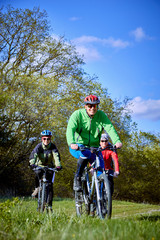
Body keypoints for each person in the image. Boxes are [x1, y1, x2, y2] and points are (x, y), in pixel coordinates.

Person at [66, 94, 122, 191]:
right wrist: (72, 143)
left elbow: (110, 128)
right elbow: (70, 129)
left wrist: (117, 141)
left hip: (94, 147)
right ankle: (78, 177)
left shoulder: (101, 115)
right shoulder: (77, 115)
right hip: (79, 146)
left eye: (95, 106)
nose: (92, 108)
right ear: (85, 106)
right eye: (89, 106)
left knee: (101, 172)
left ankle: (98, 201)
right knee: (86, 153)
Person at [29, 130, 62, 209]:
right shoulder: (39, 147)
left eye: (48, 139)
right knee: (38, 173)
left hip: (49, 166)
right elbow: (34, 155)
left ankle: (49, 205)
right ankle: (37, 188)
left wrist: (58, 166)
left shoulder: (53, 147)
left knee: (50, 185)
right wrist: (32, 164)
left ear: (50, 139)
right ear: (42, 139)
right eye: (44, 139)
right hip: (39, 165)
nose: (46, 141)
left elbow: (56, 157)